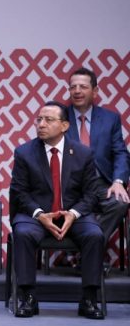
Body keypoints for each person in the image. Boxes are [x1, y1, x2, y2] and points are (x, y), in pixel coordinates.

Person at [10, 101, 104, 319]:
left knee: (94, 235)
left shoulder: (83, 153)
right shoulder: (24, 152)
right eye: (39, 120)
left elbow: (91, 194)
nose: (41, 124)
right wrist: (39, 215)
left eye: (48, 120)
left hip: (74, 215)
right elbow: (19, 192)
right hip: (36, 215)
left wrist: (73, 214)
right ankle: (28, 297)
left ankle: (89, 299)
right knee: (23, 233)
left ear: (64, 126)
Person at [65, 67, 129, 271]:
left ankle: (84, 252)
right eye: (73, 87)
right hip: (68, 186)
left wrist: (118, 181)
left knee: (119, 203)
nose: (77, 91)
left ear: (95, 91)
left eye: (83, 86)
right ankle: (91, 256)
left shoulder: (110, 118)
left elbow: (120, 153)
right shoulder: (59, 117)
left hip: (100, 183)